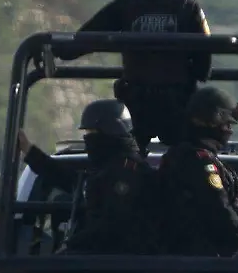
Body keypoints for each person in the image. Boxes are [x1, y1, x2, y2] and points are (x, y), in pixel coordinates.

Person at [57, 0, 212, 154]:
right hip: (178, 104)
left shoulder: (126, 6)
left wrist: (57, 50)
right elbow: (204, 65)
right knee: (188, 158)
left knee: (125, 160)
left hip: (136, 105)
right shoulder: (189, 8)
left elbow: (84, 39)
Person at [17, 99, 162, 255]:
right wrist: (28, 150)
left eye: (92, 133)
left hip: (116, 263)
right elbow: (65, 176)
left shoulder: (127, 174)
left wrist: (71, 247)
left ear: (109, 132)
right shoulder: (103, 171)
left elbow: (109, 227)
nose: (88, 140)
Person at [159, 86, 238, 258]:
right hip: (203, 259)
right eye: (227, 124)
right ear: (213, 122)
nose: (229, 130)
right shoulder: (199, 161)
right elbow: (219, 207)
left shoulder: (178, 156)